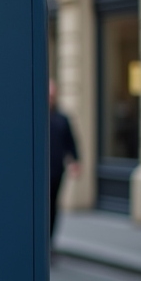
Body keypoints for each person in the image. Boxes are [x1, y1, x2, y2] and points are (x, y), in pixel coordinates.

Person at [48, 80, 80, 249]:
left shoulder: (62, 119)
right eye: (48, 95)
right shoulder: (36, 116)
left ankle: (50, 244)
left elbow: (71, 142)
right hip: (39, 173)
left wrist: (75, 161)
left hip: (56, 171)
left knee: (53, 207)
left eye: (53, 95)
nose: (51, 98)